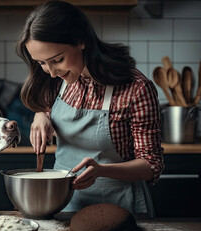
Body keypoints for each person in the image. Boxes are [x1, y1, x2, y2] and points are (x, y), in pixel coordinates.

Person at [16, 0, 164, 216]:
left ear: (80, 41)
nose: (51, 71)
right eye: (41, 63)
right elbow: (47, 103)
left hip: (120, 208)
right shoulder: (57, 79)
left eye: (57, 59)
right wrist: (41, 115)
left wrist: (102, 171)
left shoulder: (136, 89)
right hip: (64, 204)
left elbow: (151, 165)